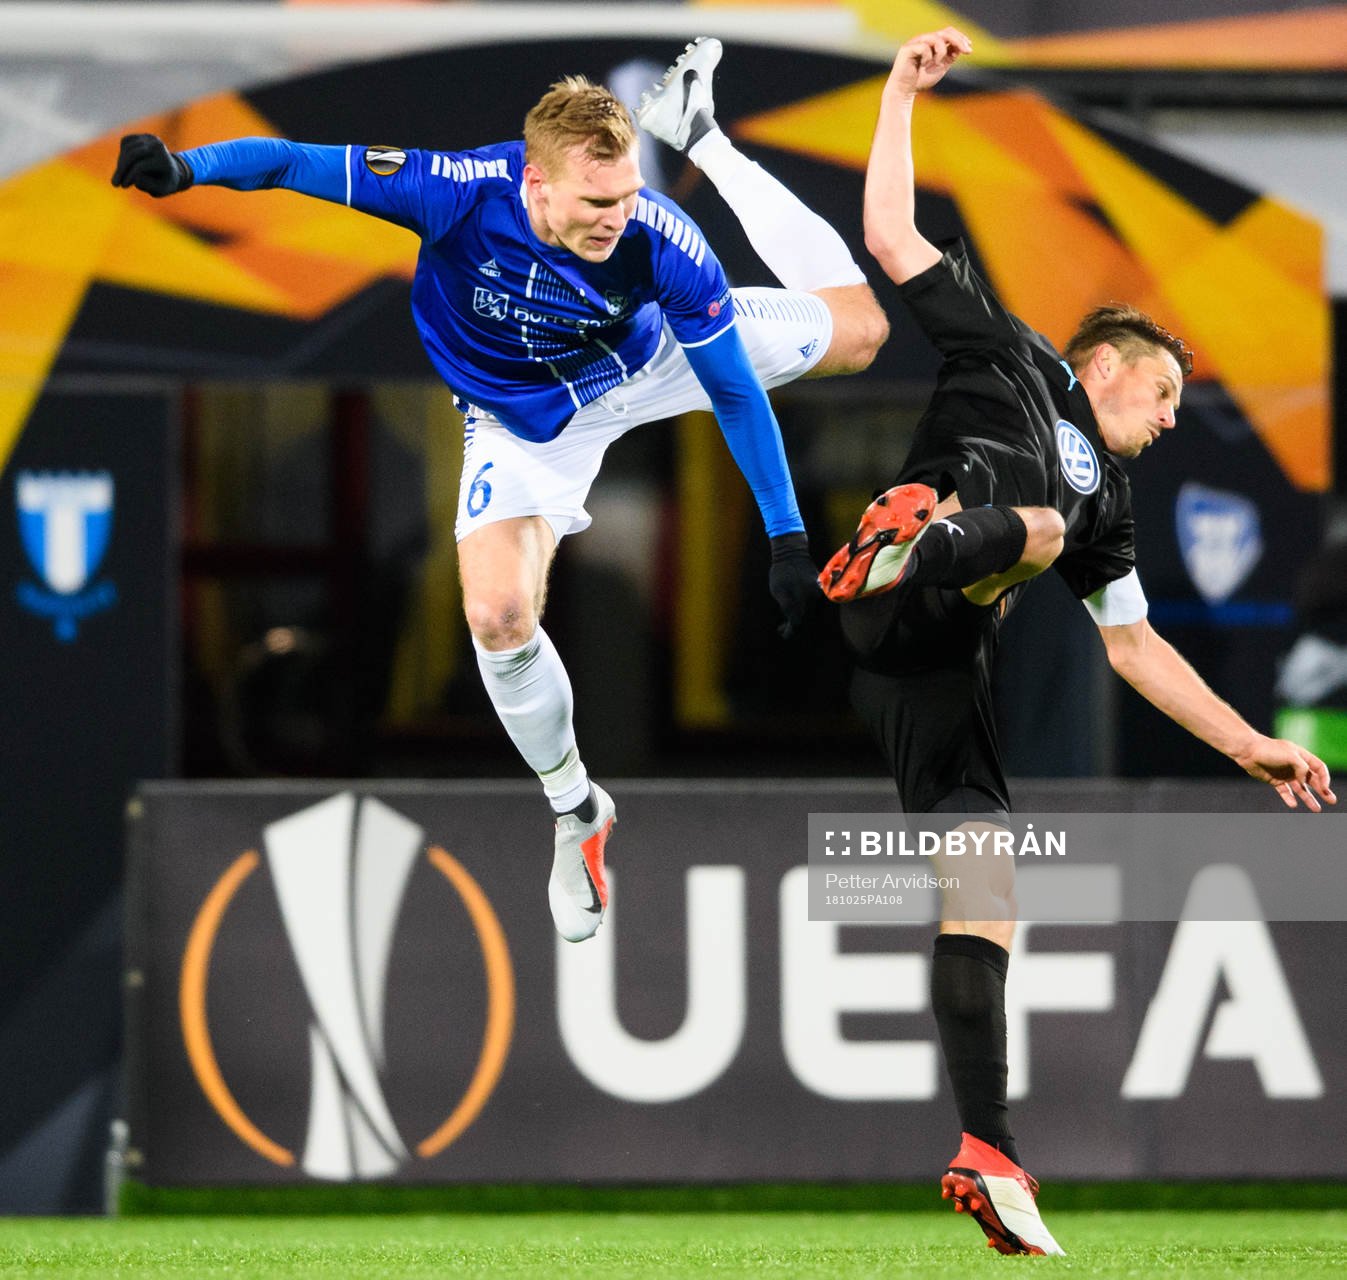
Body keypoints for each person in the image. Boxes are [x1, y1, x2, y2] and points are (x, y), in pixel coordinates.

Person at [111, 38, 888, 946]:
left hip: (650, 363)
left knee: (864, 330)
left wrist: (786, 538)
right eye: (596, 203)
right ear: (536, 183)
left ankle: (705, 136)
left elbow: (729, 391)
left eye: (628, 193)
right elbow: (287, 160)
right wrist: (183, 168)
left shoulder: (662, 242)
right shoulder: (452, 190)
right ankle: (576, 813)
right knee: (498, 616)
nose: (616, 218)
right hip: (522, 423)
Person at [819, 27, 1336, 1257]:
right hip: (907, 574)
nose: (1169, 418)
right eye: (1160, 394)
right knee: (1042, 525)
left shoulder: (1111, 510)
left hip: (923, 656)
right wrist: (898, 92)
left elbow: (1138, 648)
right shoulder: (1016, 356)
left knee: (986, 886)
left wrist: (1250, 741)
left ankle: (987, 1146)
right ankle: (913, 532)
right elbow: (892, 237)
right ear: (1101, 365)